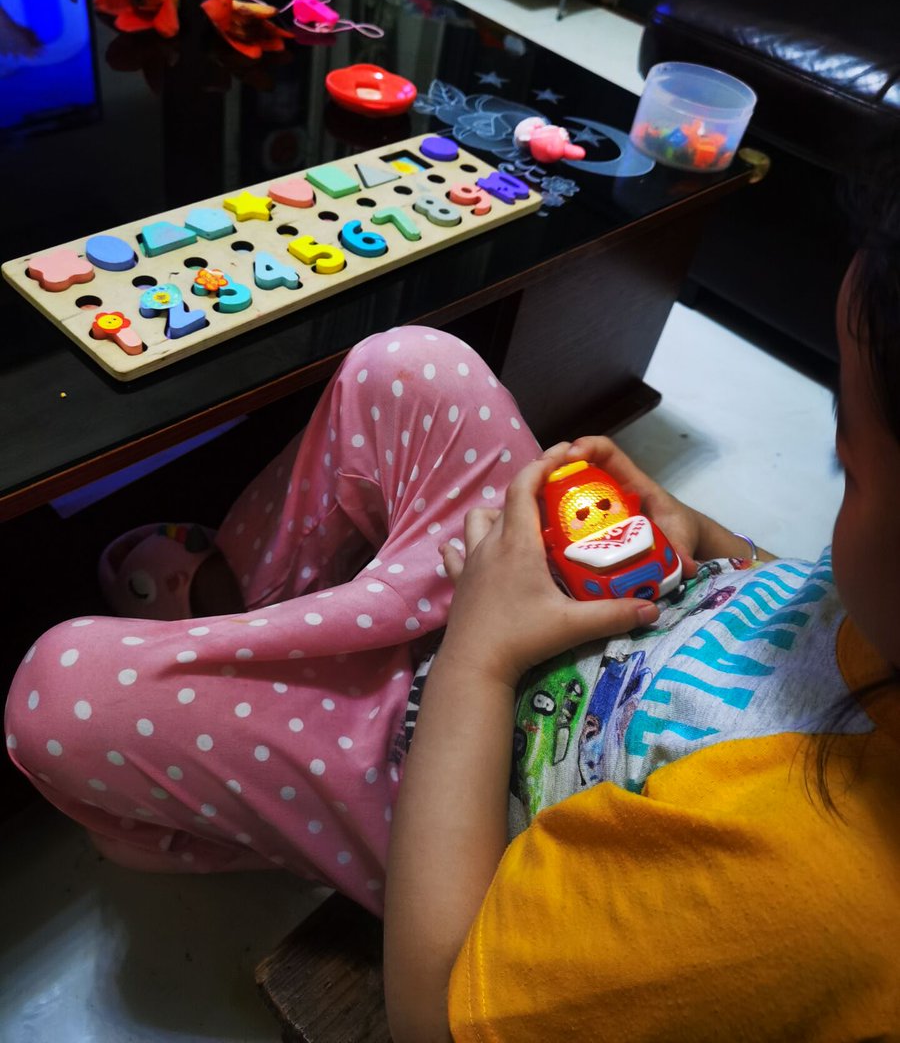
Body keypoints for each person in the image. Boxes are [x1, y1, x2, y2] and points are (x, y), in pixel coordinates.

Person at [5, 181, 900, 1038]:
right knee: (409, 365)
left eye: (848, 470)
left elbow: (434, 1014)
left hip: (447, 781)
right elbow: (809, 596)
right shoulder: (882, 616)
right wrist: (698, 532)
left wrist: (478, 649)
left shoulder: (809, 900)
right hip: (538, 615)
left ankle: (288, 693)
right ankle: (266, 615)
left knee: (57, 695)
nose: (836, 496)